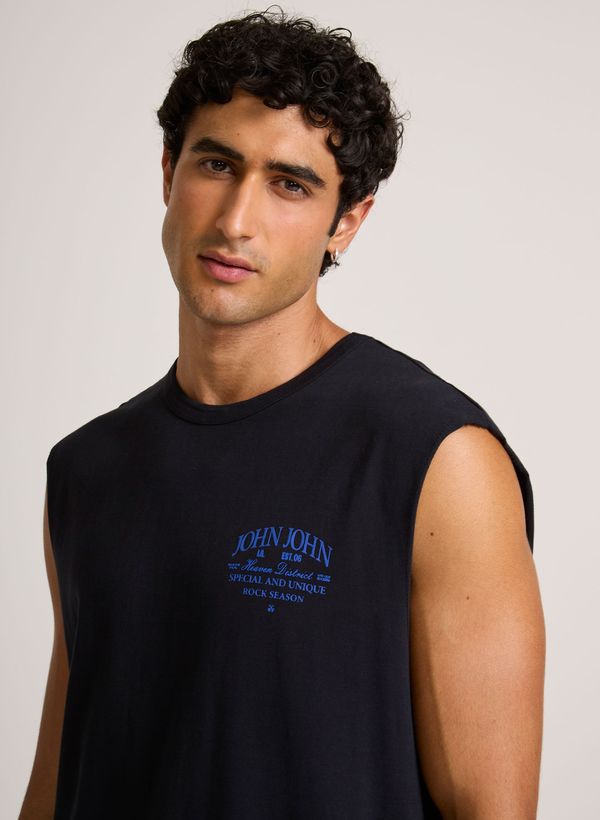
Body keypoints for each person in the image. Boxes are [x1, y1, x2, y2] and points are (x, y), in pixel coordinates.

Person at [20, 6, 545, 819]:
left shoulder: (436, 458)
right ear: (168, 172)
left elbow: (492, 808)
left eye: (290, 184)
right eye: (216, 164)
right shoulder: (86, 471)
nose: (236, 222)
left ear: (347, 222)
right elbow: (61, 784)